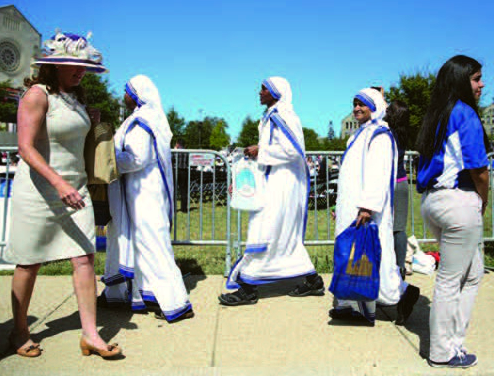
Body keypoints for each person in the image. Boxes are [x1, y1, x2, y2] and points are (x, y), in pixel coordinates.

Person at [5, 31, 122, 359]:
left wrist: (91, 121)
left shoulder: (77, 99)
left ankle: (90, 335)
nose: (81, 69)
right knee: (29, 263)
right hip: (40, 192)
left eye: (85, 65)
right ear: (53, 65)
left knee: (85, 259)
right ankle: (19, 331)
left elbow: (72, 138)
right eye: (74, 64)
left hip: (77, 190)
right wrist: (58, 183)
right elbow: (25, 148)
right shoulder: (36, 95)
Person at [219, 77, 325, 306]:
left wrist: (261, 150)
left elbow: (293, 150)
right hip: (273, 180)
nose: (259, 92)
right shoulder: (271, 116)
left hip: (283, 184)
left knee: (264, 232)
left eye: (264, 89)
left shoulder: (284, 115)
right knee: (281, 235)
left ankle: (248, 288)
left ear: (276, 92)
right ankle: (312, 279)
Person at [99, 75, 194, 323]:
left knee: (153, 245)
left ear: (138, 94)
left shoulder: (144, 121)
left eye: (127, 90)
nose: (123, 94)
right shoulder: (139, 119)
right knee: (137, 244)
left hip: (146, 194)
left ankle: (175, 301)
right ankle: (141, 295)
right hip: (136, 193)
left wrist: (104, 160)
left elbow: (136, 158)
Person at [416, 55, 488, 369]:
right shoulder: (465, 114)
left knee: (472, 274)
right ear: (461, 81)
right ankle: (443, 352)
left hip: (434, 201)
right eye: (476, 78)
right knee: (451, 280)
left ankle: (453, 343)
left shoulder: (438, 114)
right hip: (459, 202)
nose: (482, 84)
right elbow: (479, 169)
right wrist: (483, 202)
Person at [329, 88, 420, 327]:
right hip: (352, 207)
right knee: (352, 256)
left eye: (363, 104)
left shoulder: (380, 135)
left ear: (375, 106)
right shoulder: (359, 135)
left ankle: (402, 294)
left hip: (367, 211)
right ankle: (349, 304)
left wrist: (368, 206)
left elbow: (378, 174)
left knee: (375, 259)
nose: (357, 108)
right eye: (355, 103)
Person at [384, 101, 411, 279]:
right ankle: (400, 267)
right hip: (401, 182)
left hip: (387, 183)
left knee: (386, 227)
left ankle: (388, 267)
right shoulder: (403, 134)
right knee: (399, 228)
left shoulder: (386, 134)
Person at [174, 139, 189, 212]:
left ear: (178, 144)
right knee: (184, 190)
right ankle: (184, 208)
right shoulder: (187, 152)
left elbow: (171, 159)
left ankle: (173, 208)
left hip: (176, 170)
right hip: (184, 171)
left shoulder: (175, 151)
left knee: (174, 189)